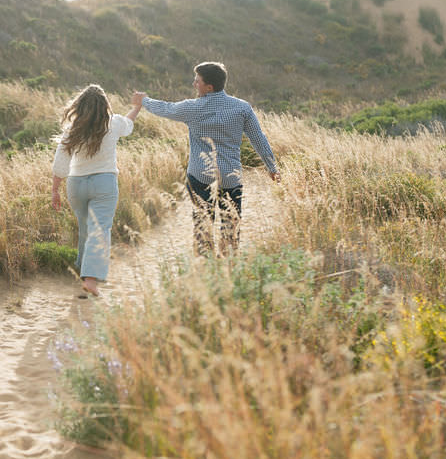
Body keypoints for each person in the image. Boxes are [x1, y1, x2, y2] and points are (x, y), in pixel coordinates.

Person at [134, 61, 279, 255]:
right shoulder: (242, 108)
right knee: (231, 227)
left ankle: (205, 267)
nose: (194, 84)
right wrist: (272, 167)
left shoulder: (192, 108)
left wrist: (144, 101)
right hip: (231, 178)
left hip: (200, 177)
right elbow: (258, 138)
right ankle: (227, 266)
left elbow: (166, 109)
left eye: (197, 81)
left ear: (209, 87)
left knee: (202, 225)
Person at [52, 85, 143, 296]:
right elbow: (129, 123)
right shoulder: (113, 123)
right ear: (105, 105)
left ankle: (84, 271)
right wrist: (137, 106)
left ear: (80, 106)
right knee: (99, 229)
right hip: (104, 182)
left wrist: (55, 190)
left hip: (76, 184)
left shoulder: (72, 129)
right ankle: (91, 279)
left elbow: (60, 162)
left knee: (86, 228)